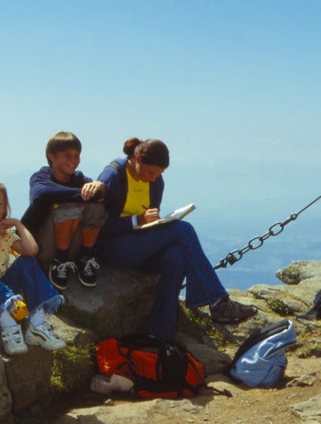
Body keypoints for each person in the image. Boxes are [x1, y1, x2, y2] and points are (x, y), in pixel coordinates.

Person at [94, 137, 256, 339]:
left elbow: (148, 220)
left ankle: (161, 333)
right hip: (113, 248)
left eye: (158, 175)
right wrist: (136, 221)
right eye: (150, 172)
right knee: (182, 230)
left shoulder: (156, 183)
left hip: (139, 246)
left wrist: (154, 223)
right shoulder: (114, 176)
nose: (153, 178)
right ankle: (217, 302)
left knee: (176, 256)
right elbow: (97, 225)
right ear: (136, 158)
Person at [0, 178, 67, 355]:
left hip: (3, 293)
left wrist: (18, 224)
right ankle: (8, 325)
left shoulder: (5, 235)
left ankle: (37, 322)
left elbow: (32, 250)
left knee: (26, 261)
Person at [22, 132, 108, 289]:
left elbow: (103, 199)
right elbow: (43, 195)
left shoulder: (81, 180)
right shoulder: (41, 177)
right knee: (69, 207)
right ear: (51, 156)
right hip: (43, 246)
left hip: (73, 244)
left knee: (96, 208)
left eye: (76, 155)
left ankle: (85, 258)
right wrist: (83, 194)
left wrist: (100, 187)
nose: (73, 160)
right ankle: (59, 262)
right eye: (67, 155)